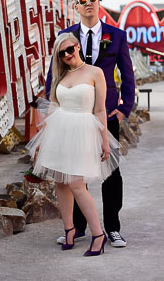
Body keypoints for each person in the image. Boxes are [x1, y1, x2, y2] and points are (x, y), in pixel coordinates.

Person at [45, 0, 135, 248]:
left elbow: (127, 75)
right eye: (82, 1)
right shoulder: (65, 36)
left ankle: (113, 228)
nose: (89, 4)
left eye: (93, 0)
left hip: (105, 114)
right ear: (75, 7)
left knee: (111, 172)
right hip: (71, 116)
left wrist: (124, 108)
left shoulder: (116, 36)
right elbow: (53, 76)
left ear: (98, 4)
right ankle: (79, 227)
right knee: (72, 173)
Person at [27, 33, 123, 256]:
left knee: (77, 184)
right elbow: (52, 106)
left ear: (78, 46)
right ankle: (69, 229)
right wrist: (43, 139)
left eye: (70, 49)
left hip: (83, 130)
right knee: (60, 182)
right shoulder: (60, 75)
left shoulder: (94, 72)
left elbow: (99, 109)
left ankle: (98, 234)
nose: (67, 55)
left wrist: (105, 139)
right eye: (61, 53)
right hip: (59, 130)